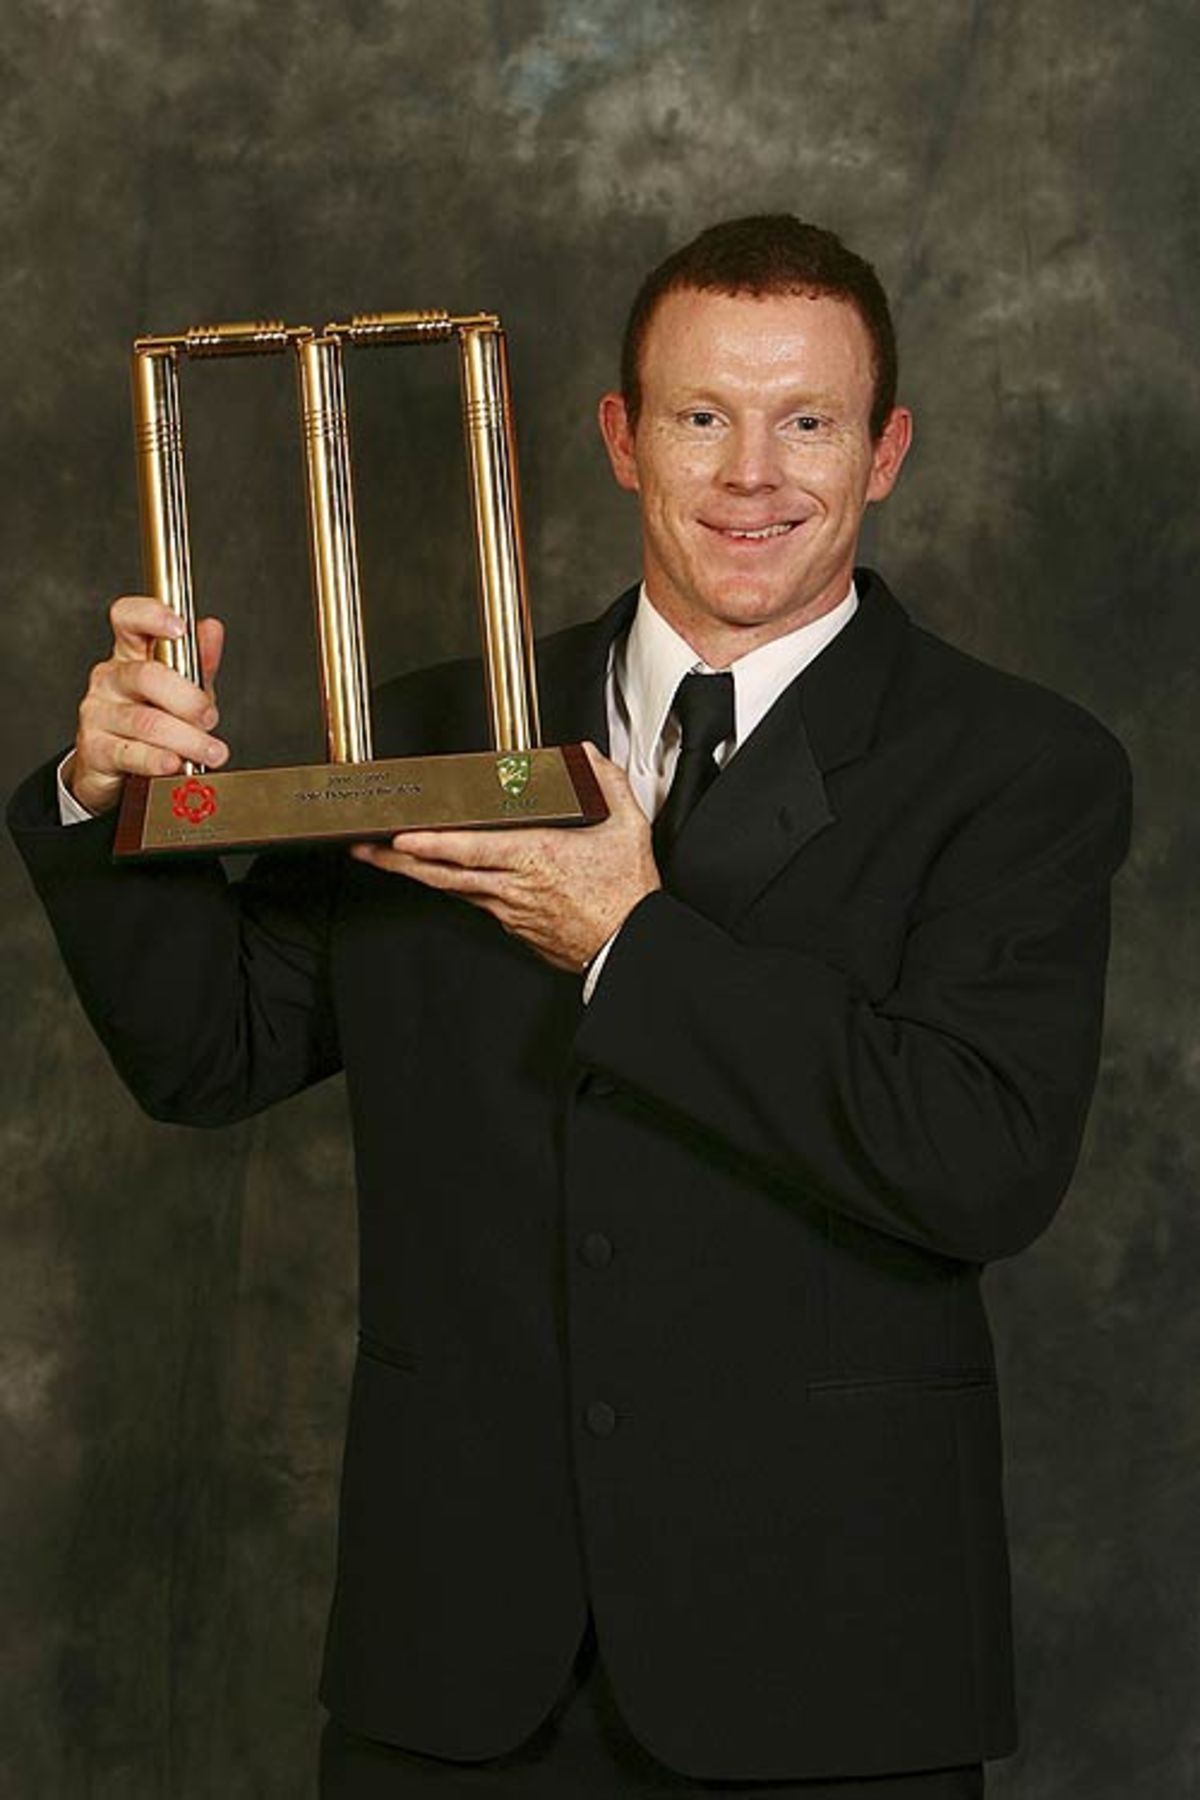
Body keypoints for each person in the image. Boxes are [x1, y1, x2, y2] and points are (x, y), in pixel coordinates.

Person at [9, 216, 1131, 1797]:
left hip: (829, 1664)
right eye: (701, 415)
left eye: (808, 421)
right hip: (453, 1666)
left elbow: (981, 1159)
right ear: (620, 437)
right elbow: (213, 1054)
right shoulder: (425, 732)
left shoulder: (1021, 770)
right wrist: (99, 794)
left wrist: (630, 942)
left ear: (885, 453)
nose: (752, 474)